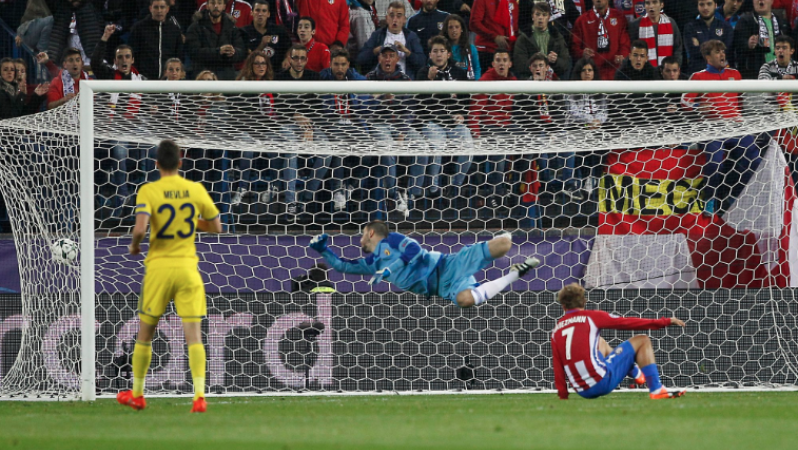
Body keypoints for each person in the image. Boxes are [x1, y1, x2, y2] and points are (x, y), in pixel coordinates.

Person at [116, 139, 223, 413]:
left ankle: (138, 394)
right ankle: (199, 396)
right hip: (188, 268)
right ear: (180, 162)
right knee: (194, 335)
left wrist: (135, 245)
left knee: (145, 333)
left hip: (160, 269)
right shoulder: (194, 188)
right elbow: (217, 226)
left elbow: (140, 228)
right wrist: (189, 222)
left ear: (155, 164)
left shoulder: (149, 190)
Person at [308, 221, 540, 307]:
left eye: (361, 236)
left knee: (504, 244)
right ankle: (513, 275)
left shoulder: (393, 239)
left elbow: (415, 250)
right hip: (442, 288)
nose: (359, 241)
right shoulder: (371, 264)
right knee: (465, 300)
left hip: (446, 265)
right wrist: (323, 250)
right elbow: (342, 266)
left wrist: (392, 268)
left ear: (370, 233)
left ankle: (503, 237)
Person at [550, 283, 687, 400]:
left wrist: (563, 394)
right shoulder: (591, 317)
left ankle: (637, 374)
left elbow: (558, 364)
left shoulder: (557, 330)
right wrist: (664, 322)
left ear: (563, 306)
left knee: (600, 342)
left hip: (582, 390)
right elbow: (626, 323)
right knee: (643, 340)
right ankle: (656, 390)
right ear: (584, 302)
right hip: (601, 382)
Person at [683, 39, 761, 216]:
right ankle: (709, 200)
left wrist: (738, 116)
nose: (722, 55)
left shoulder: (735, 74)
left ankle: (738, 196)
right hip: (713, 129)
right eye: (717, 52)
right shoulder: (698, 77)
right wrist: (698, 108)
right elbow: (685, 101)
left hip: (736, 127)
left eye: (723, 51)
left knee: (755, 162)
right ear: (707, 57)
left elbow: (741, 100)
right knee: (715, 165)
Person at [363, 45, 430, 219]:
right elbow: (363, 109)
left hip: (401, 126)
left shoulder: (405, 79)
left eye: (391, 56)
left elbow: (411, 109)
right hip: (378, 124)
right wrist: (379, 99)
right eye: (384, 56)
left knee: (422, 147)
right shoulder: (369, 78)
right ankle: (394, 194)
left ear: (396, 59)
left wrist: (403, 130)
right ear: (379, 59)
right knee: (388, 149)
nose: (387, 59)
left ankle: (412, 194)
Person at [417, 35, 473, 203]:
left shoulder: (459, 73)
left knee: (468, 144)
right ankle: (433, 189)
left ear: (449, 54)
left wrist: (462, 114)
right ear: (430, 55)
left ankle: (455, 186)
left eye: (442, 51)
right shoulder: (422, 73)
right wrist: (429, 81)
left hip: (454, 124)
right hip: (432, 122)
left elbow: (466, 100)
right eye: (435, 51)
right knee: (438, 145)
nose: (439, 55)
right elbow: (419, 103)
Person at [468, 49, 517, 217]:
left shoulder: (514, 81)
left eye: (505, 59)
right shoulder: (486, 81)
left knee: (528, 151)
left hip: (510, 126)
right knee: (500, 155)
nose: (502, 63)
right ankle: (496, 195)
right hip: (490, 127)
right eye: (498, 60)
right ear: (493, 63)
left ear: (510, 63)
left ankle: (513, 190)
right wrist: (476, 135)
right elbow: (475, 111)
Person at [357, 1, 426, 79]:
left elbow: (422, 62)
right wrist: (376, 51)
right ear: (386, 18)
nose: (395, 20)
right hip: (380, 83)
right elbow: (361, 59)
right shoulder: (377, 35)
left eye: (399, 16)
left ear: (404, 20)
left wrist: (407, 52)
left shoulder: (411, 37)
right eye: (392, 16)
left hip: (405, 83)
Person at [571, 0, 631, 82]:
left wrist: (622, 56)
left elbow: (625, 44)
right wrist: (582, 53)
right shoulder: (582, 21)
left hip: (616, 74)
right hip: (592, 77)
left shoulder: (620, 17)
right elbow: (574, 48)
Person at [185, 0, 246, 80]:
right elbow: (193, 52)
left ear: (224, 6)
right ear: (207, 6)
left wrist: (233, 53)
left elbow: (241, 52)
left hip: (226, 78)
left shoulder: (232, 27)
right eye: (213, 3)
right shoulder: (196, 27)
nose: (216, 6)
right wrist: (218, 52)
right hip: (203, 77)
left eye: (219, 3)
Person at [513, 2, 571, 80]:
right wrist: (536, 65)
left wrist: (556, 61)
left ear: (549, 17)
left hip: (553, 82)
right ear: (532, 16)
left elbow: (565, 64)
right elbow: (519, 65)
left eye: (544, 15)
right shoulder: (523, 38)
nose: (540, 17)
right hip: (529, 82)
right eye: (538, 14)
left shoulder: (557, 37)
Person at [129, 0, 184, 80]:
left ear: (167, 9)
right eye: (156, 7)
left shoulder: (174, 30)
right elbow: (133, 53)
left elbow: (179, 55)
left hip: (168, 80)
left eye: (162, 7)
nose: (159, 11)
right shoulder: (139, 28)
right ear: (150, 8)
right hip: (143, 79)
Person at [734, 0, 787, 79]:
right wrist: (747, 44)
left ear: (772, 1)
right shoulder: (745, 20)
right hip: (754, 74)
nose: (760, 1)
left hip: (779, 72)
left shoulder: (781, 22)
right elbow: (736, 45)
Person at [683, 0, 734, 76]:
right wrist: (716, 49)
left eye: (709, 4)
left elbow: (726, 51)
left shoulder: (726, 27)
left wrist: (701, 46)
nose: (705, 8)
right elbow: (693, 52)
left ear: (715, 5)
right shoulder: (690, 27)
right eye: (701, 4)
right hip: (697, 74)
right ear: (697, 7)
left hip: (720, 75)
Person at [628, 0, 683, 68]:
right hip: (644, 72)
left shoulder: (671, 23)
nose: (651, 6)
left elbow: (678, 48)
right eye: (648, 3)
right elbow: (631, 49)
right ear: (644, 5)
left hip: (667, 71)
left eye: (654, 2)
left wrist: (674, 67)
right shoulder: (636, 25)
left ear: (661, 5)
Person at [470, 0, 520, 73]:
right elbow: (474, 23)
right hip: (486, 52)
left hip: (508, 52)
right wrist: (494, 37)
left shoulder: (513, 2)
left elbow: (514, 26)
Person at [240, 0, 291, 65]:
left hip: (277, 71)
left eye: (264, 11)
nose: (260, 14)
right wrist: (262, 45)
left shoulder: (279, 30)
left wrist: (287, 58)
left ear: (268, 14)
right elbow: (247, 59)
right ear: (251, 13)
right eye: (257, 10)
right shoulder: (244, 32)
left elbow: (289, 47)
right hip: (254, 72)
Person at [441, 14, 481, 80]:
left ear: (461, 29)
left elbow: (476, 69)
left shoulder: (471, 49)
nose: (454, 30)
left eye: (457, 27)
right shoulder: (441, 49)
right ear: (446, 30)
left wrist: (476, 86)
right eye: (451, 27)